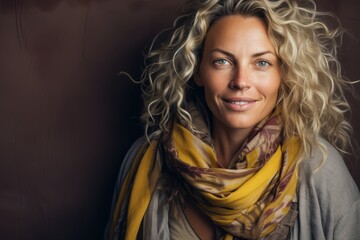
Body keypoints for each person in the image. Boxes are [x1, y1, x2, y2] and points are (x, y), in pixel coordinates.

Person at [105, 0, 360, 239]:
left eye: (261, 63)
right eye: (223, 61)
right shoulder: (146, 158)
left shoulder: (320, 171)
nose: (240, 81)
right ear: (197, 70)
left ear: (284, 74)